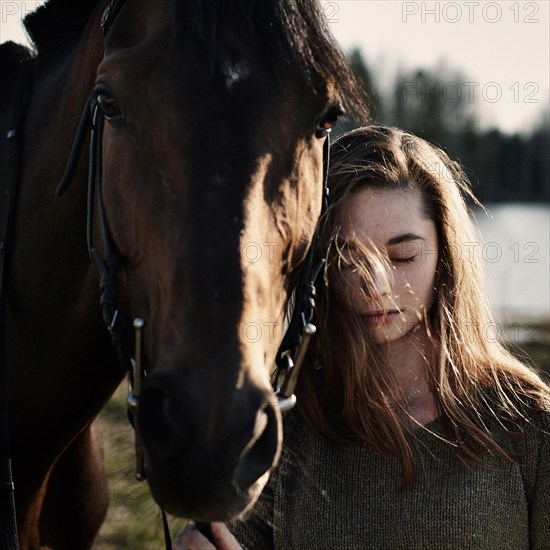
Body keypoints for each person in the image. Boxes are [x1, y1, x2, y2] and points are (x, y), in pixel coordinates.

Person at [176, 126, 550, 549]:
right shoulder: (283, 432)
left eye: (403, 256)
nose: (376, 284)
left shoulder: (527, 424)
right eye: (348, 258)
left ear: (447, 255)